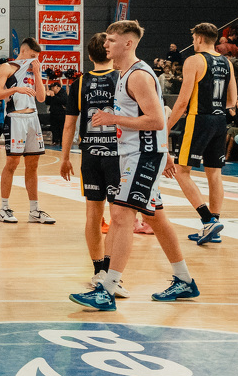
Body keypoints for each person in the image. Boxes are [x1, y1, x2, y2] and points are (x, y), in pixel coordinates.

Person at [69, 20, 200, 310]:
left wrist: (113, 119)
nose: (106, 44)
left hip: (142, 154)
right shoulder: (124, 73)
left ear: (128, 43)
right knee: (156, 218)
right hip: (138, 153)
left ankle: (107, 288)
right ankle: (184, 280)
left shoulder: (138, 75)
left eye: (111, 40)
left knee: (120, 215)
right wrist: (165, 151)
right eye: (106, 40)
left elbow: (156, 119)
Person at [60, 34, 124, 296]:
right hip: (117, 154)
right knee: (119, 217)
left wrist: (65, 157)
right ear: (110, 52)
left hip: (90, 154)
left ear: (89, 56)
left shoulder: (80, 83)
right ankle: (111, 272)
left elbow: (69, 125)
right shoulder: (122, 78)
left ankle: (99, 270)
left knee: (93, 214)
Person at [165, 22, 237, 246]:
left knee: (181, 171)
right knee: (214, 174)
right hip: (220, 120)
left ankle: (207, 219)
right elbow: (232, 100)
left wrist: (166, 126)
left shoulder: (194, 60)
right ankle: (213, 225)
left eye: (193, 39)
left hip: (199, 119)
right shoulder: (227, 63)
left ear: (199, 38)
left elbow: (182, 101)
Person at [0, 40, 54, 224]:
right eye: (33, 56)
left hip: (33, 118)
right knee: (12, 163)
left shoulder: (33, 69)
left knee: (33, 165)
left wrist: (37, 72)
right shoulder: (7, 67)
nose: (35, 60)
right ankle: (4, 208)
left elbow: (41, 98)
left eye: (37, 57)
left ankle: (34, 211)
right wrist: (16, 89)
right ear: (24, 51)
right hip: (15, 118)